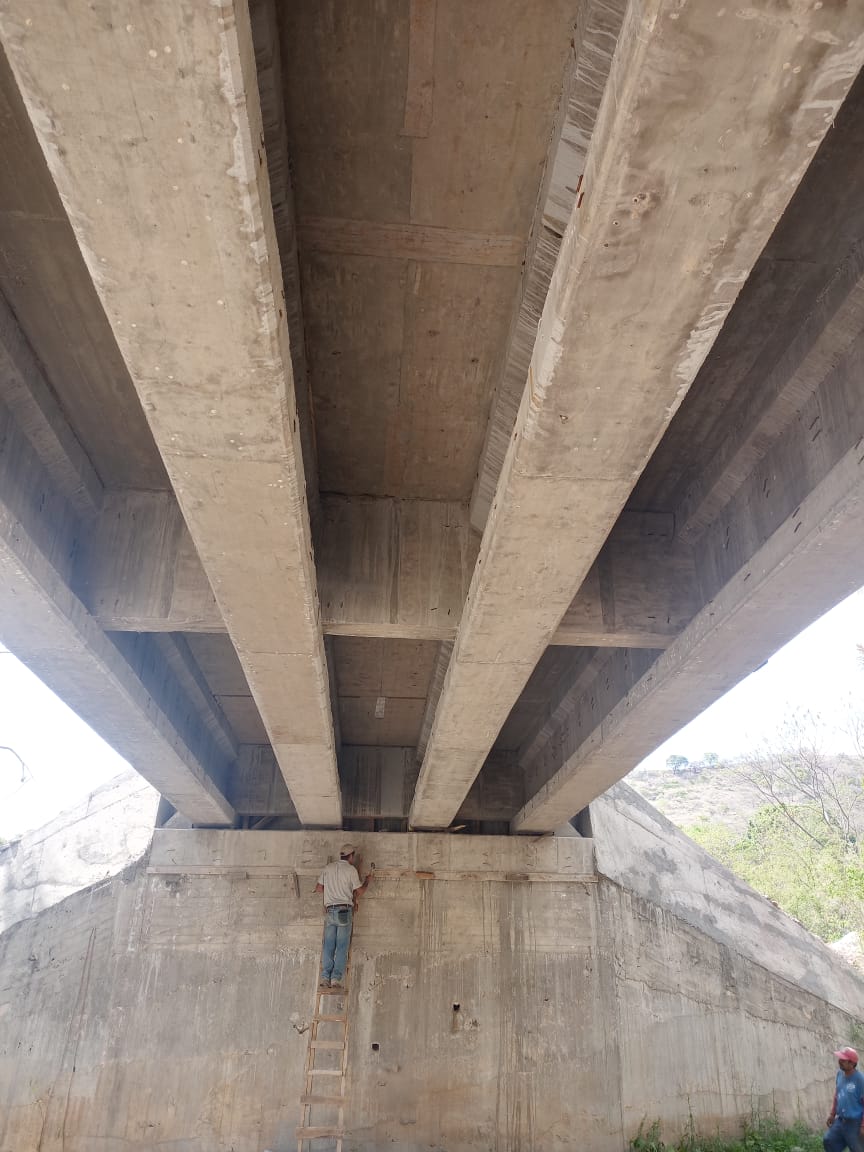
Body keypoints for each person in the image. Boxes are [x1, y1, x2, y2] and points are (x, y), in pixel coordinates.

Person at [315, 844, 372, 989]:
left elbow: (319, 889)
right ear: (351, 856)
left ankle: (325, 978)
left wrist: (332, 890)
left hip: (330, 911)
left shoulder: (328, 868)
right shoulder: (351, 870)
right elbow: (359, 891)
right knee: (341, 946)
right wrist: (367, 881)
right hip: (344, 912)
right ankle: (335, 979)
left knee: (328, 945)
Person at [825, 1047, 864, 1152]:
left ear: (852, 1063)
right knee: (829, 1140)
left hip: (855, 1123)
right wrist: (832, 1114)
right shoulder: (839, 1074)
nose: (839, 1061)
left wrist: (863, 1126)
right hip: (841, 1120)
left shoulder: (860, 1080)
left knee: (857, 1149)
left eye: (843, 1060)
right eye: (840, 1058)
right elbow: (837, 1095)